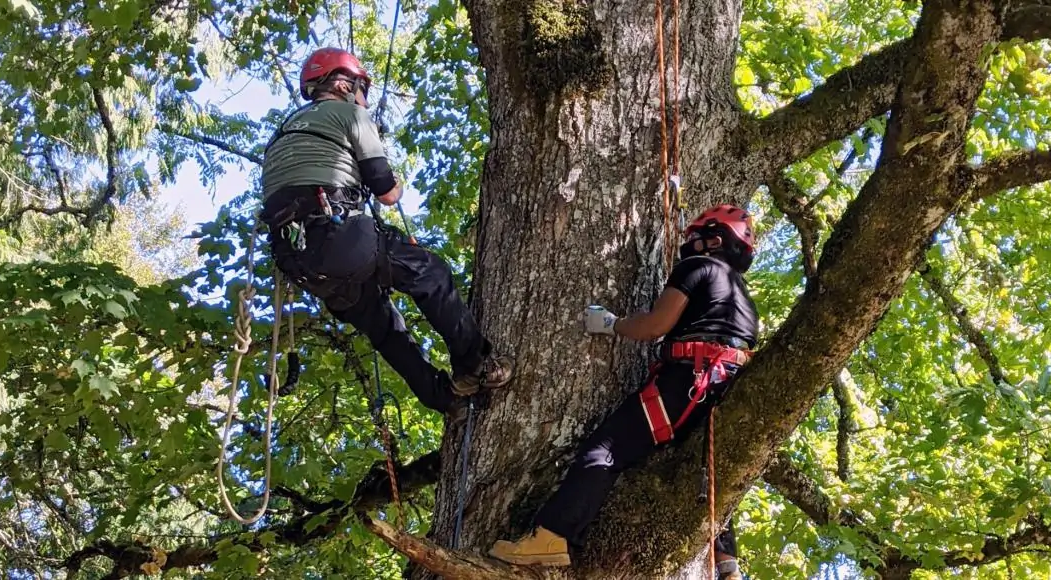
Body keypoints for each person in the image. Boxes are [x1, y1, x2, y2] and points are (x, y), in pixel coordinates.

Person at [489, 204, 758, 579]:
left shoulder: (698, 267)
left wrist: (613, 325)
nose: (690, 243)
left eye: (697, 236)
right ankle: (725, 560)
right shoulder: (744, 299)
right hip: (720, 388)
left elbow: (655, 326)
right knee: (704, 468)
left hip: (686, 383)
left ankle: (552, 536)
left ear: (713, 240)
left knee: (607, 448)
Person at [256, 47, 510, 413]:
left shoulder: (281, 138)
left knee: (385, 328)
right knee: (431, 274)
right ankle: (475, 365)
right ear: (344, 85)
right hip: (340, 239)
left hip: (298, 262)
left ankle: (443, 397)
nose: (364, 99)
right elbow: (386, 191)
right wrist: (398, 184)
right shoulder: (349, 116)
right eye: (361, 89)